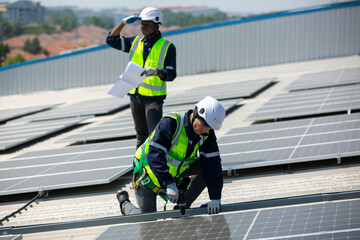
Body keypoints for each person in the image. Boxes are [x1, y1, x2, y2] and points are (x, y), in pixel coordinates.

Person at [117, 96, 226, 215]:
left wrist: (215, 198)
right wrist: (169, 183)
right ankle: (124, 203)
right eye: (205, 125)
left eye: (210, 128)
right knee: (148, 221)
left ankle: (183, 204)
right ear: (195, 114)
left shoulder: (206, 133)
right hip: (146, 173)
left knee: (206, 167)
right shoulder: (171, 123)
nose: (206, 130)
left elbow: (213, 164)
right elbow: (154, 157)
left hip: (173, 171)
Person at [106, 7, 177, 149]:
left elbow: (171, 74)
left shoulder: (167, 47)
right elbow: (111, 40)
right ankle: (140, 168)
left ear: (157, 25)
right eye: (142, 23)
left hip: (153, 99)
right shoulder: (135, 42)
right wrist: (123, 22)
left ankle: (156, 166)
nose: (143, 27)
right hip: (135, 97)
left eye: (147, 24)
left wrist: (156, 72)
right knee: (141, 135)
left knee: (155, 136)